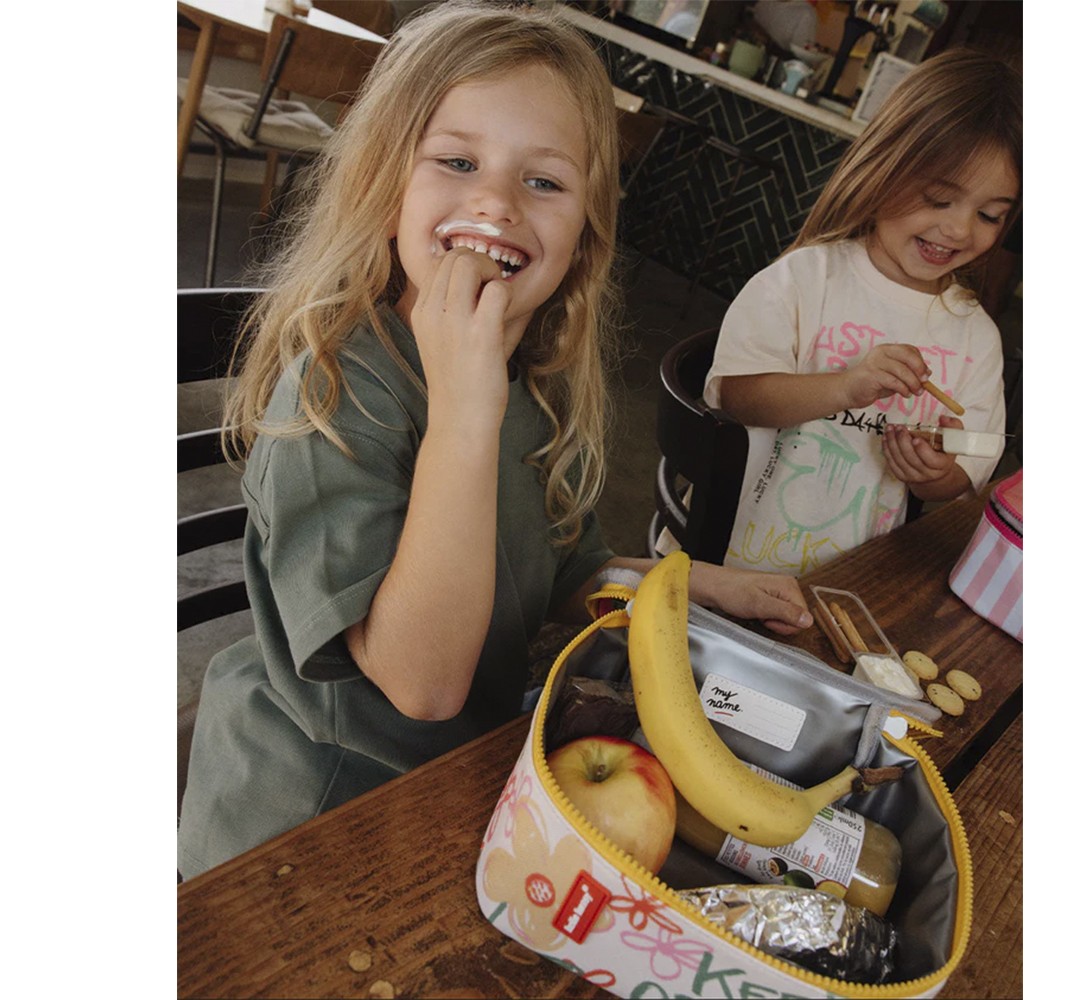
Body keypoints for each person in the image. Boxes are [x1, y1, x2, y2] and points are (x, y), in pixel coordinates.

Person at [178, 0, 812, 880]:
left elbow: (561, 571)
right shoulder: (336, 392)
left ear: (585, 228)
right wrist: (464, 404)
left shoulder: (535, 381)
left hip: (459, 789)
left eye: (544, 182)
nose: (496, 203)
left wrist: (702, 581)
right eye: (458, 161)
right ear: (385, 180)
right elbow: (423, 684)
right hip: (309, 828)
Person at [702, 48, 1021, 575]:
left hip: (849, 584)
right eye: (940, 199)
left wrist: (932, 474)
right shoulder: (807, 279)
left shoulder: (975, 338)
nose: (961, 230)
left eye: (989, 215)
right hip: (727, 563)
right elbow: (737, 396)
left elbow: (973, 461)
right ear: (883, 169)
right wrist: (846, 387)